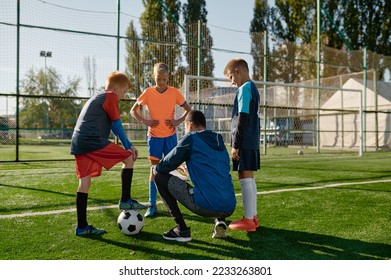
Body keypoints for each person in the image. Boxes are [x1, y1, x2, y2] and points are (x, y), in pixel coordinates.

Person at [70, 71, 147, 237]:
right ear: (116, 87)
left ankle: (82, 227)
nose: (123, 95)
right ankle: (126, 200)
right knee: (128, 158)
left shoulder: (97, 97)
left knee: (84, 184)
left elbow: (111, 126)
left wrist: (126, 143)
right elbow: (117, 124)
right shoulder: (110, 96)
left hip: (78, 141)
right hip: (91, 139)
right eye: (124, 91)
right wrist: (128, 145)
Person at [154, 110, 236, 242]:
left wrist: (157, 168)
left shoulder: (191, 138)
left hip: (205, 205)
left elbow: (165, 165)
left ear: (190, 125)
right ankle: (220, 220)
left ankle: (181, 230)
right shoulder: (218, 139)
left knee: (158, 176)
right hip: (229, 206)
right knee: (216, 179)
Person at [130, 62, 192, 218]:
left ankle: (174, 203)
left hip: (171, 137)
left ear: (168, 78)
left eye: (164, 79)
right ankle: (152, 205)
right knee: (154, 171)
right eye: (159, 79)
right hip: (155, 138)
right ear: (154, 77)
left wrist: (178, 121)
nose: (162, 82)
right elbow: (133, 110)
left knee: (173, 170)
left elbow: (188, 110)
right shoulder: (148, 93)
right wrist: (146, 121)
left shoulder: (175, 92)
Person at [223, 58, 260, 232]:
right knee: (249, 177)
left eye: (231, 77)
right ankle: (253, 216)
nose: (232, 82)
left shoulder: (244, 89)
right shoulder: (253, 87)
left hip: (244, 141)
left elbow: (242, 117)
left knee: (244, 177)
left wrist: (235, 145)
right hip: (251, 140)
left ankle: (248, 220)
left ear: (238, 71)